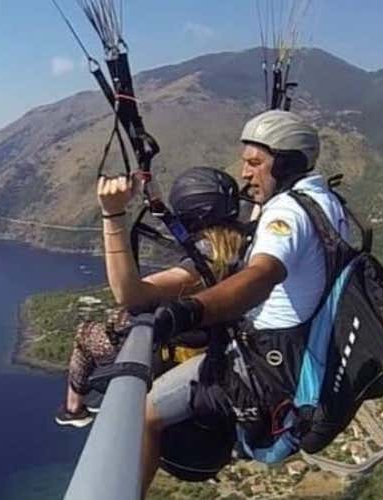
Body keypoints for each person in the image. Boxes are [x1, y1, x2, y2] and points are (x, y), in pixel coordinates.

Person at [138, 110, 349, 492]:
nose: (246, 173)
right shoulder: (327, 202)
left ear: (284, 164)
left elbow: (261, 275)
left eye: (255, 163)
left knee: (145, 414)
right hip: (302, 359)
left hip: (265, 371)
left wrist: (190, 309)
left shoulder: (286, 212)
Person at [54, 166, 250, 428]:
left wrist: (112, 214)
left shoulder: (202, 267)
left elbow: (130, 294)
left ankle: (74, 409)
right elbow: (184, 236)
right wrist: (155, 200)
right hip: (212, 340)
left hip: (180, 348)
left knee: (86, 334)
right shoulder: (240, 242)